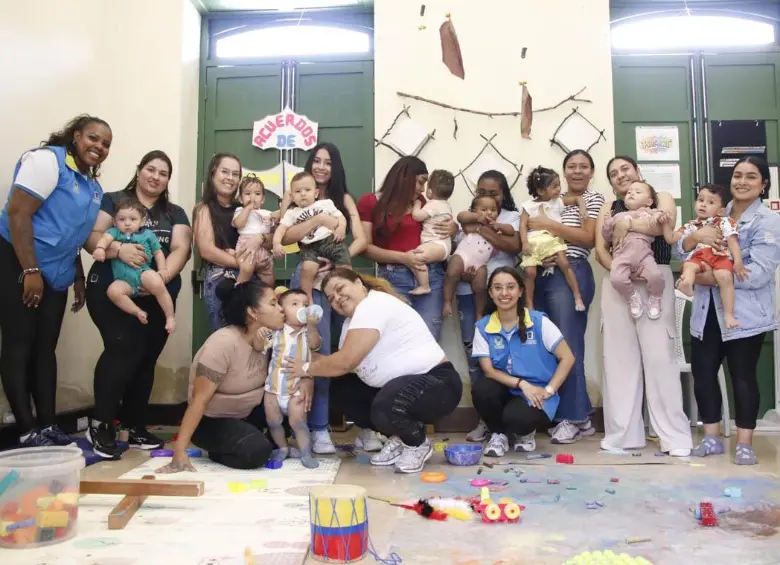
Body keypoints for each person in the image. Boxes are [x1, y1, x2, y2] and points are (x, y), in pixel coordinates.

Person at [0, 114, 111, 448]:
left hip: (58, 274)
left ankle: (48, 425)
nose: (99, 147)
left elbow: (72, 234)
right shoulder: (47, 161)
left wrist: (77, 275)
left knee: (45, 350)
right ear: (75, 136)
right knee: (19, 345)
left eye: (106, 144)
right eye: (93, 138)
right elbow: (18, 213)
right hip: (18, 263)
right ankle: (26, 429)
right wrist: (30, 271)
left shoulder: (92, 187)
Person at [284, 267, 462, 474]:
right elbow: (338, 364)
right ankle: (400, 437)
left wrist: (305, 368)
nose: (338, 299)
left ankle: (417, 443)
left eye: (341, 289)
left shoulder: (373, 305)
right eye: (331, 298)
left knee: (387, 400)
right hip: (399, 388)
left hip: (438, 385)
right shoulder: (352, 321)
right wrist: (301, 357)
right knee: (341, 388)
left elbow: (345, 362)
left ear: (359, 283)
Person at [84, 150, 192, 459]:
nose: (156, 176)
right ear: (139, 170)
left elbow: (181, 248)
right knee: (122, 348)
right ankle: (101, 423)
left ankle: (134, 426)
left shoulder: (175, 212)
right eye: (150, 169)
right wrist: (119, 250)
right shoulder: (114, 199)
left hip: (157, 290)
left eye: (163, 172)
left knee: (145, 358)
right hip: (111, 287)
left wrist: (158, 276)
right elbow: (92, 237)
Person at [683, 156, 780, 465]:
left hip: (744, 315)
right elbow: (681, 247)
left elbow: (760, 272)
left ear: (763, 183)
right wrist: (694, 238)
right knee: (703, 374)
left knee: (743, 377)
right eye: (738, 175)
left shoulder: (769, 220)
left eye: (751, 177)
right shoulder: (714, 211)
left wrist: (705, 277)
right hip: (706, 311)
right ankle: (710, 438)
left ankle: (744, 442)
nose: (742, 181)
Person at [595, 156, 692, 456]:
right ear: (611, 183)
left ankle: (674, 437)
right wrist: (621, 269)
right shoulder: (607, 209)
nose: (620, 175)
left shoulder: (659, 195)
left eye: (625, 169)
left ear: (638, 171)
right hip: (618, 280)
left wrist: (627, 224)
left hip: (654, 278)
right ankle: (623, 435)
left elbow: (663, 225)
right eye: (613, 173)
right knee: (618, 361)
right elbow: (600, 249)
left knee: (660, 359)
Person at [279, 142, 366, 454]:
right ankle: (316, 428)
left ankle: (363, 425)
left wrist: (336, 261)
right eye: (316, 161)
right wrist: (315, 222)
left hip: (338, 282)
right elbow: (286, 236)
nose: (321, 167)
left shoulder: (342, 199)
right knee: (314, 350)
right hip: (307, 281)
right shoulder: (296, 195)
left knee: (349, 349)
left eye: (328, 162)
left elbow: (362, 239)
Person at [156, 278, 286, 474]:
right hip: (212, 421)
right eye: (273, 304)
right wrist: (179, 451)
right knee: (258, 450)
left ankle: (246, 437)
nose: (281, 309)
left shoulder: (271, 338)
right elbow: (198, 401)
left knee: (289, 412)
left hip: (249, 414)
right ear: (252, 312)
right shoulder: (223, 344)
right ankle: (219, 450)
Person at [526, 150, 604, 444]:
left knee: (568, 346)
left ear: (591, 172)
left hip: (572, 269)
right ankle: (578, 415)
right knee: (548, 346)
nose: (577, 171)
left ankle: (571, 417)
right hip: (544, 273)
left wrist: (548, 225)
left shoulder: (593, 200)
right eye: (572, 166)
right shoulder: (547, 200)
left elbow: (586, 238)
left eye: (584, 166)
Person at [472, 268, 575, 456]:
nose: (504, 293)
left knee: (517, 419)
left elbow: (567, 357)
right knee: (482, 389)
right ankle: (498, 434)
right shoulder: (483, 326)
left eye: (510, 287)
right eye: (498, 288)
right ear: (490, 293)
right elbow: (489, 371)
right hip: (508, 388)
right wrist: (522, 384)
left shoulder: (537, 321)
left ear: (520, 291)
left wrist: (549, 390)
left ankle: (525, 434)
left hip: (536, 394)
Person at [358, 156, 458, 341]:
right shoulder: (370, 202)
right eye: (420, 182)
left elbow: (442, 218)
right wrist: (403, 258)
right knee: (395, 339)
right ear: (404, 177)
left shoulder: (421, 202)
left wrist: (454, 227)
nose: (423, 189)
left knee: (428, 338)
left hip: (431, 275)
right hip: (393, 278)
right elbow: (365, 248)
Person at [457, 171, 521, 444]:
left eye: (493, 193)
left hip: (503, 297)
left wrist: (482, 227)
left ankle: (509, 421)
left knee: (506, 358)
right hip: (467, 292)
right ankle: (485, 420)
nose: (487, 197)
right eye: (482, 191)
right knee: (474, 356)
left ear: (503, 194)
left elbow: (514, 245)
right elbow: (457, 250)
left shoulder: (512, 218)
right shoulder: (468, 215)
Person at [194, 153, 264, 331]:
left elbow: (268, 236)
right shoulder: (204, 208)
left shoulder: (242, 208)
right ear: (213, 174)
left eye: (235, 174)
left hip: (252, 278)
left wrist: (259, 239)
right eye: (225, 172)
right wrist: (244, 264)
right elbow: (207, 250)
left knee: (256, 337)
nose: (230, 178)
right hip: (222, 278)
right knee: (230, 337)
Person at [664, 184, 745, 328]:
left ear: (721, 210)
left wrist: (738, 262)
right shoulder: (691, 226)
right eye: (700, 200)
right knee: (689, 266)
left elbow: (732, 242)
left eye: (710, 202)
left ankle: (728, 314)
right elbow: (674, 240)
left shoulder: (725, 222)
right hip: (700, 256)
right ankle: (687, 284)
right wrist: (666, 224)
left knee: (725, 277)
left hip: (720, 256)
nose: (703, 204)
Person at [92, 199, 176, 333]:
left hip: (142, 273)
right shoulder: (115, 232)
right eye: (121, 219)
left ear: (142, 221)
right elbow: (105, 239)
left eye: (133, 219)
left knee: (156, 281)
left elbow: (158, 252)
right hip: (123, 281)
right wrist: (100, 248)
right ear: (114, 221)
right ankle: (137, 311)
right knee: (112, 291)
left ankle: (170, 316)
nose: (127, 223)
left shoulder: (148, 234)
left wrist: (162, 269)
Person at [274, 171, 350, 304]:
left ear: (315, 193)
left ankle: (348, 292)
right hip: (310, 247)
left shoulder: (325, 203)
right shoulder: (292, 213)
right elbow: (281, 229)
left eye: (307, 190)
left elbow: (340, 217)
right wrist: (276, 244)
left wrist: (341, 228)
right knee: (307, 269)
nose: (303, 193)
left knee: (344, 269)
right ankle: (308, 299)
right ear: (292, 196)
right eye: (298, 191)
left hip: (331, 241)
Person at [265, 288, 321, 469]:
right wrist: (260, 334)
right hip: (273, 388)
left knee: (298, 422)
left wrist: (312, 325)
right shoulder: (276, 332)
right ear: (282, 310)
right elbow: (261, 346)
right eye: (295, 304)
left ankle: (305, 452)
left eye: (305, 305)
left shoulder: (306, 333)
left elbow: (315, 344)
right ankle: (283, 447)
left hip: (297, 388)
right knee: (273, 422)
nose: (302, 308)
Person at [520, 166, 587, 312]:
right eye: (554, 186)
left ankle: (577, 296)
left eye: (559, 184)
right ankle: (529, 304)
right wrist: (524, 242)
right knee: (529, 273)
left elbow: (576, 198)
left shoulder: (558, 202)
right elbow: (523, 225)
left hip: (552, 240)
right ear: (540, 191)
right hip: (533, 243)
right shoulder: (528, 206)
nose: (559, 189)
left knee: (564, 263)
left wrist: (582, 207)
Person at [602, 181, 666, 320]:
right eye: (630, 191)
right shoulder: (617, 216)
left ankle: (655, 297)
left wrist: (657, 216)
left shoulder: (649, 213)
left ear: (649, 201)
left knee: (656, 276)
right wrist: (607, 224)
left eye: (637, 192)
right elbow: (607, 236)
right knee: (616, 278)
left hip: (644, 256)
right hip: (621, 256)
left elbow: (660, 219)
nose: (631, 193)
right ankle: (631, 297)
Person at [444, 196, 514, 319]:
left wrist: (499, 226)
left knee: (481, 287)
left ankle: (479, 313)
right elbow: (461, 216)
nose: (489, 212)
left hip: (480, 264)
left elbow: (511, 230)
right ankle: (447, 301)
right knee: (452, 272)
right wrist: (477, 217)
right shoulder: (472, 222)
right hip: (462, 256)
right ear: (474, 211)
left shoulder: (496, 228)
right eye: (484, 209)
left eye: (493, 210)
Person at [410, 169, 455, 295]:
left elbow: (417, 216)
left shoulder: (433, 204)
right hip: (441, 245)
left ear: (430, 191)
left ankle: (425, 286)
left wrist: (417, 204)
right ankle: (423, 284)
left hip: (437, 244)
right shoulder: (445, 205)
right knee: (416, 256)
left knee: (416, 257)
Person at [232, 175, 275, 287]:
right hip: (246, 246)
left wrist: (274, 219)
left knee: (269, 277)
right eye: (247, 194)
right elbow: (238, 224)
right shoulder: (240, 211)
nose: (252, 197)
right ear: (240, 199)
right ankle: (239, 290)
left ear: (263, 199)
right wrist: (247, 208)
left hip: (264, 251)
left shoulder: (267, 213)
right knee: (246, 269)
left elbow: (272, 232)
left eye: (257, 194)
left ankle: (269, 293)